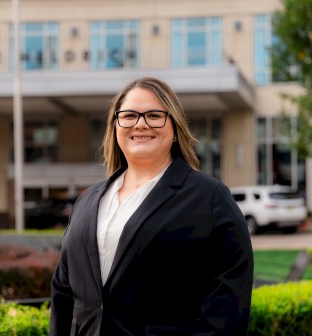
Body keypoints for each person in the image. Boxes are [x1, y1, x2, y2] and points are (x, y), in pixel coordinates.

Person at [50, 77, 254, 335]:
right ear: (115, 126)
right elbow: (63, 291)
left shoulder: (210, 198)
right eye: (129, 115)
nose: (141, 123)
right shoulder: (87, 201)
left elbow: (228, 311)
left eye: (154, 115)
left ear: (175, 126)